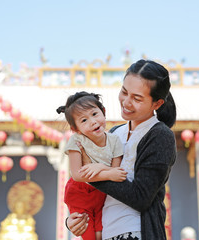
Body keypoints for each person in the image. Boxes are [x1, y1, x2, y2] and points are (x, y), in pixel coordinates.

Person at [66, 59, 177, 240]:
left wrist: (92, 174)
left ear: (157, 104)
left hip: (136, 232)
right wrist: (74, 218)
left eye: (137, 98)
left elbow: (141, 197)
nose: (126, 102)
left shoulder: (159, 136)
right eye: (124, 92)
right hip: (105, 231)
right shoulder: (115, 133)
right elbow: (92, 188)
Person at [57, 91, 128, 240]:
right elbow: (77, 174)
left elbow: (116, 171)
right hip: (80, 193)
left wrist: (99, 168)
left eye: (95, 114)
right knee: (88, 235)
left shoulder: (115, 140)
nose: (93, 121)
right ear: (76, 129)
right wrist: (107, 172)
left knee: (100, 233)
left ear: (103, 112)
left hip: (102, 192)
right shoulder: (76, 141)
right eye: (84, 120)